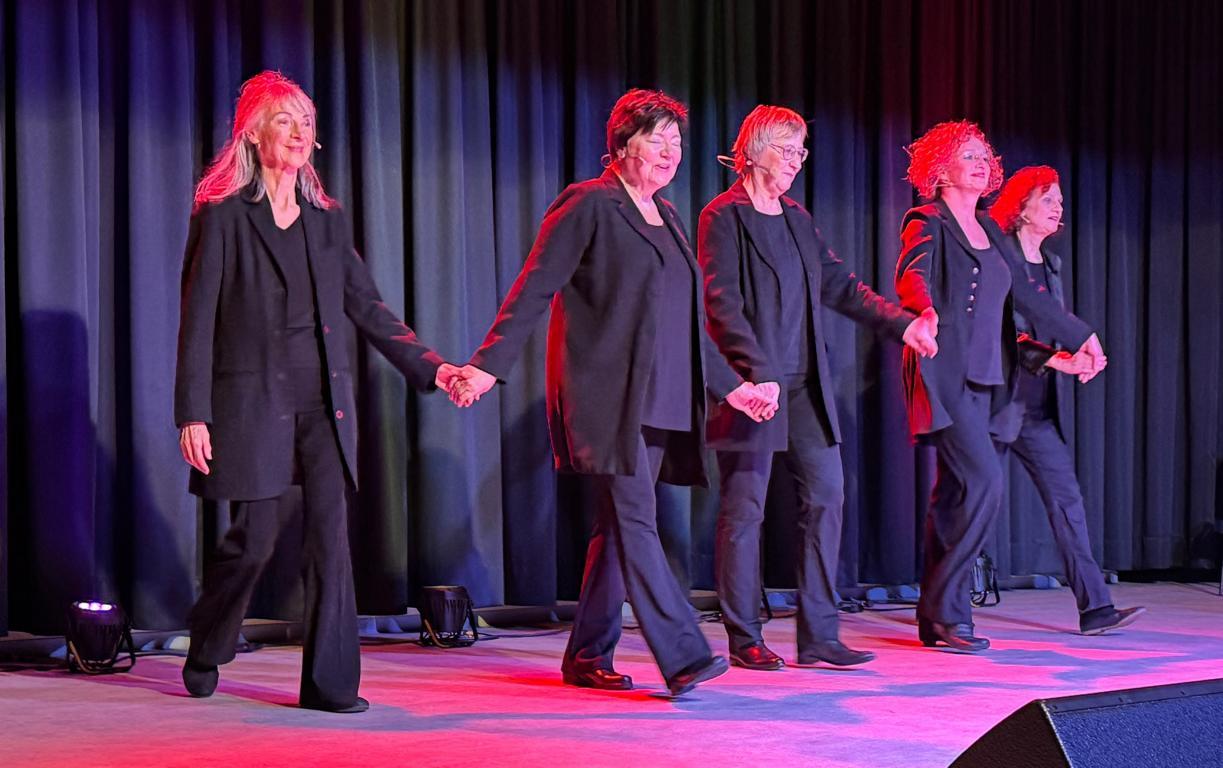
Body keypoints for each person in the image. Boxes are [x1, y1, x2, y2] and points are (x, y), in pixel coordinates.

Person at [447, 89, 777, 696]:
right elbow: (534, 287)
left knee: (617, 528)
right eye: (657, 139)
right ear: (623, 144)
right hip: (606, 399)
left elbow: (685, 325)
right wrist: (488, 366)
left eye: (677, 141)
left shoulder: (669, 218)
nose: (671, 152)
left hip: (662, 399)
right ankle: (684, 652)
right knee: (636, 521)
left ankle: (587, 654)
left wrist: (733, 389)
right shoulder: (589, 204)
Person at [175, 71, 459, 711]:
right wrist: (193, 412)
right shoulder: (222, 217)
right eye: (284, 120)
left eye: (306, 121)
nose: (299, 132)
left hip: (324, 406)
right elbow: (197, 321)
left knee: (330, 540)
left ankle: (331, 686)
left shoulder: (325, 223)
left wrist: (434, 368)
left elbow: (369, 308)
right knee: (253, 541)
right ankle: (209, 638)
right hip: (251, 403)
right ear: (253, 134)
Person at [698, 105, 939, 671]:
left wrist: (903, 324)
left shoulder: (796, 218)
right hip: (754, 387)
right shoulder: (722, 217)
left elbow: (840, 286)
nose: (796, 161)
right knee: (745, 509)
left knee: (828, 497)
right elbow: (721, 304)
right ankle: (744, 636)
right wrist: (755, 373)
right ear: (752, 150)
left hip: (807, 386)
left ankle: (820, 636)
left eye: (801, 151)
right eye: (786, 149)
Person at [894, 121, 1107, 652]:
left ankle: (937, 618)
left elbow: (1029, 301)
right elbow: (912, 275)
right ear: (941, 168)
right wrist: (922, 311)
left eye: (983, 155)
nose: (980, 163)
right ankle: (945, 610)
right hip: (944, 373)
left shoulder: (991, 231)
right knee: (985, 482)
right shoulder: (927, 219)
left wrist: (1082, 336)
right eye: (967, 155)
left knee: (955, 495)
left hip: (988, 380)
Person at [988, 166, 1144, 635]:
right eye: (1048, 199)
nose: (1059, 207)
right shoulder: (999, 258)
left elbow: (1054, 324)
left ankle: (1096, 609)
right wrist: (1060, 358)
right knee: (970, 505)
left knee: (1067, 501)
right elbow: (997, 334)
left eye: (1060, 200)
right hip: (995, 402)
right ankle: (943, 611)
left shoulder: (1050, 264)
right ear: (1021, 208)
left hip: (1036, 410)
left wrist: (1080, 356)